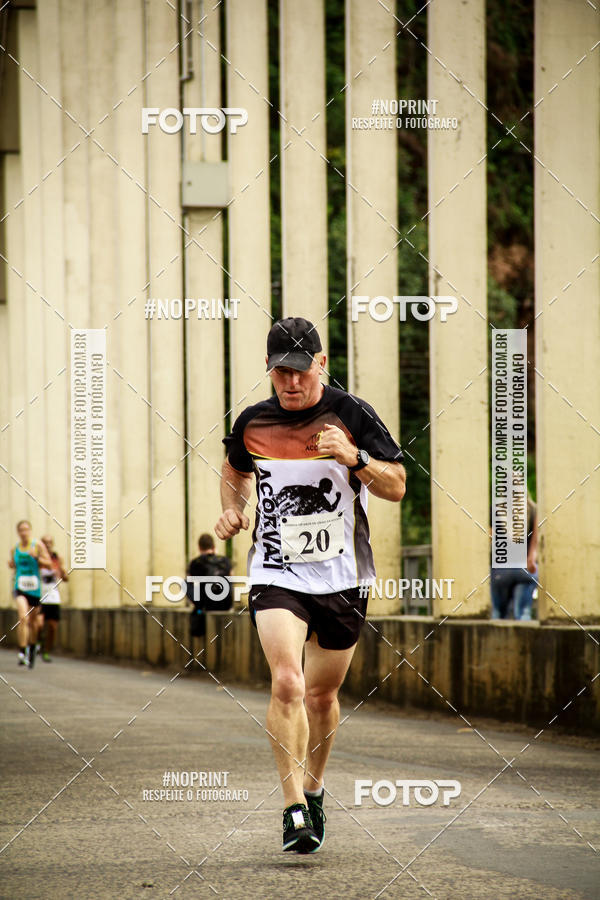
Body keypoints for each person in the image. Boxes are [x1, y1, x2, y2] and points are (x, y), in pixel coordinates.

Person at [215, 317, 406, 853]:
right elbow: (233, 470)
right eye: (281, 372)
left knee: (322, 695)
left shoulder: (353, 413)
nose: (291, 383)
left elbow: (397, 487)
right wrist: (231, 510)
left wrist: (355, 458)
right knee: (288, 683)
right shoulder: (253, 421)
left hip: (344, 577)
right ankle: (292, 807)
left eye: (300, 370)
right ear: (270, 371)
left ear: (321, 363)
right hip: (277, 571)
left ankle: (315, 790)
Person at [8, 520, 52, 668]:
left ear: (30, 531)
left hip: (34, 588)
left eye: (26, 529)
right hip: (19, 587)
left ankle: (32, 648)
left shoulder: (37, 545)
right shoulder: (15, 549)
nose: (23, 532)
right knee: (23, 618)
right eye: (21, 530)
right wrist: (12, 564)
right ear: (18, 532)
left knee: (33, 623)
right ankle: (22, 651)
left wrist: (37, 557)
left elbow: (49, 563)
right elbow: (14, 565)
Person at [491, 494, 538, 620]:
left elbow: (490, 539)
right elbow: (535, 542)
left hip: (500, 571)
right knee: (523, 613)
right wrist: (531, 560)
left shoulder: (496, 510)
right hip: (525, 569)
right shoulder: (534, 510)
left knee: (499, 614)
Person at [186, 533, 232, 643]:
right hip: (225, 603)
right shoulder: (225, 561)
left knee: (185, 583)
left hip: (207, 604)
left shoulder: (195, 563)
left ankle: (198, 607)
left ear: (199, 547)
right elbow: (231, 577)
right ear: (213, 546)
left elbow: (191, 581)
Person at [39, 535, 69, 662]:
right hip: (39, 596)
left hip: (53, 597)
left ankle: (46, 651)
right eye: (45, 543)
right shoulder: (37, 559)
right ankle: (37, 643)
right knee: (39, 625)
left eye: (50, 542)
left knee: (53, 627)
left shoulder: (57, 559)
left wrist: (62, 570)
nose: (48, 545)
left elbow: (66, 579)